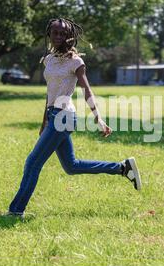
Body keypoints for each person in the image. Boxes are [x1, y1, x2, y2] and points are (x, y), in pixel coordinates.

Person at [7, 18, 141, 217]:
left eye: (63, 33)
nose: (59, 36)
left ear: (70, 36)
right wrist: (44, 121)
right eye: (56, 32)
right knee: (71, 166)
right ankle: (122, 168)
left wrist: (99, 118)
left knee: (33, 162)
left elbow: (87, 90)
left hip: (64, 117)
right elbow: (50, 92)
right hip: (53, 116)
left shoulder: (76, 61)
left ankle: (15, 211)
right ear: (49, 34)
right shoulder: (49, 59)